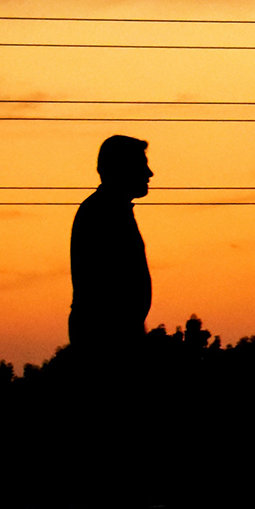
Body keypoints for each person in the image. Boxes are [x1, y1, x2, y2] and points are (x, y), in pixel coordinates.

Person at [69, 134, 152, 355]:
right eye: (141, 165)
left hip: (117, 334)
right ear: (122, 169)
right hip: (109, 338)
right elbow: (109, 288)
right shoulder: (103, 213)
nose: (149, 173)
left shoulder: (112, 210)